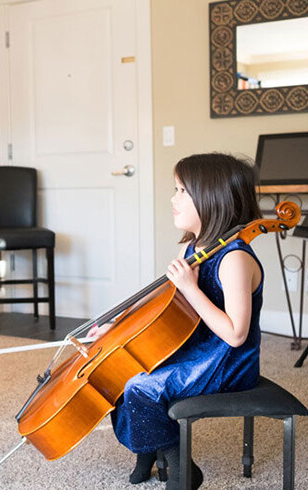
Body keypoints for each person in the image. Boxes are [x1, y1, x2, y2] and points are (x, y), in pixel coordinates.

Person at [90, 153, 263, 489]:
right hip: (198, 348)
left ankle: (181, 466)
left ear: (212, 198)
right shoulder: (198, 247)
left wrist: (190, 288)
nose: (173, 198)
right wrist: (119, 324)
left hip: (226, 362)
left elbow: (236, 334)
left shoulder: (235, 259)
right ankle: (148, 451)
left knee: (143, 387)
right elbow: (165, 300)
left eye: (182, 191)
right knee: (123, 368)